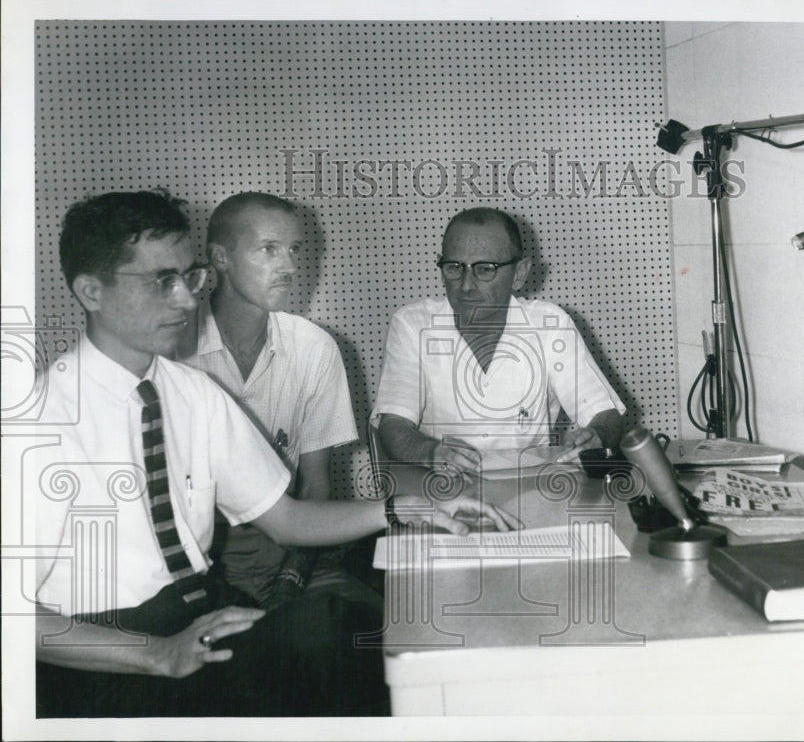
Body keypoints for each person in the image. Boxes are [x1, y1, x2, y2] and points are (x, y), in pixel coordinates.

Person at [34, 190, 519, 717]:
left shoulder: (191, 393)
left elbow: (286, 517)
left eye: (187, 277)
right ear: (90, 291)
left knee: (389, 640)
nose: (186, 299)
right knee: (337, 648)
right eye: (161, 282)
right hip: (104, 659)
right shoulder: (36, 421)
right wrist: (155, 653)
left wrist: (413, 509)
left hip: (201, 618)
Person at [176, 192, 370, 611]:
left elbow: (315, 486)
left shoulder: (315, 347)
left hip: (291, 557)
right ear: (220, 258)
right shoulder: (172, 349)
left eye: (294, 250)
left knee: (367, 634)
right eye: (269, 250)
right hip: (202, 570)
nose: (290, 267)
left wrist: (292, 575)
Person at [373, 207, 625, 475]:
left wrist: (596, 436)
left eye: (485, 269)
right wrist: (431, 453)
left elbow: (605, 413)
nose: (466, 285)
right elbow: (393, 426)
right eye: (454, 268)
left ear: (519, 273)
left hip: (530, 493)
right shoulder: (413, 324)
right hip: (438, 491)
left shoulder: (550, 324)